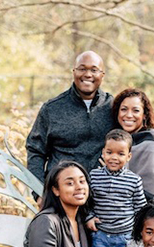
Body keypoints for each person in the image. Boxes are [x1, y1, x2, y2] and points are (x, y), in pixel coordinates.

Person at [27, 50, 114, 204]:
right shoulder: (52, 109)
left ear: (102, 74)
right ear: (73, 72)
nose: (88, 74)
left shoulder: (113, 107)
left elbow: (142, 128)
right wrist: (39, 193)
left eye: (94, 70)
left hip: (103, 200)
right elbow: (35, 151)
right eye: (82, 68)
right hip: (60, 198)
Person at [86, 129, 146, 247]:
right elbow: (87, 202)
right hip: (101, 237)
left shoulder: (133, 180)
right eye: (109, 152)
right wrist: (89, 217)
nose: (114, 157)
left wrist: (138, 233)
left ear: (128, 156)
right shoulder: (94, 176)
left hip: (124, 238)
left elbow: (140, 209)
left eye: (120, 154)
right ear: (103, 153)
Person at [112, 88, 154, 202]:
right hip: (121, 208)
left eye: (136, 110)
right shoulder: (115, 140)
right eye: (124, 109)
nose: (129, 115)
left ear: (144, 115)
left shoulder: (152, 139)